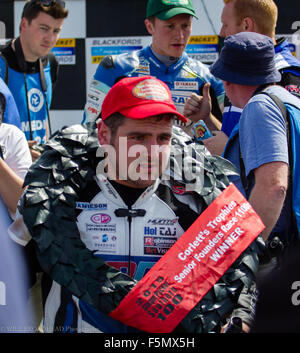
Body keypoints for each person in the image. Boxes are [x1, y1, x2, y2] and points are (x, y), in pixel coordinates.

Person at [9, 76, 263, 333]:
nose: (152, 150)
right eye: (138, 137)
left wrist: (240, 317)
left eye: (163, 138)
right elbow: (14, 275)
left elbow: (238, 279)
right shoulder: (58, 194)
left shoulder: (196, 202)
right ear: (104, 135)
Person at [209, 31, 300, 273]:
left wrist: (246, 254)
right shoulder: (289, 102)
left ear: (229, 79)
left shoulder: (260, 106)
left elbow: (274, 186)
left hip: (276, 256)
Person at [82, 0, 224, 132]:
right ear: (150, 26)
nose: (180, 35)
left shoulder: (209, 77)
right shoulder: (116, 68)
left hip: (188, 159)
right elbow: (89, 128)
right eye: (170, 26)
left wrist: (206, 118)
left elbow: (229, 142)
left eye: (185, 26)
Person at [184, 0, 300, 155]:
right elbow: (231, 137)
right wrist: (207, 119)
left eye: (225, 25)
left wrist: (230, 150)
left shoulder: (288, 73)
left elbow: (288, 153)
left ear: (247, 25)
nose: (221, 33)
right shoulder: (240, 71)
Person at [0, 0, 68, 161]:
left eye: (56, 30)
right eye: (43, 28)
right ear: (24, 24)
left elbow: (41, 115)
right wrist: (19, 149)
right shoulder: (1, 62)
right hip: (7, 165)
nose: (50, 38)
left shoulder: (51, 62)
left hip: (39, 165)